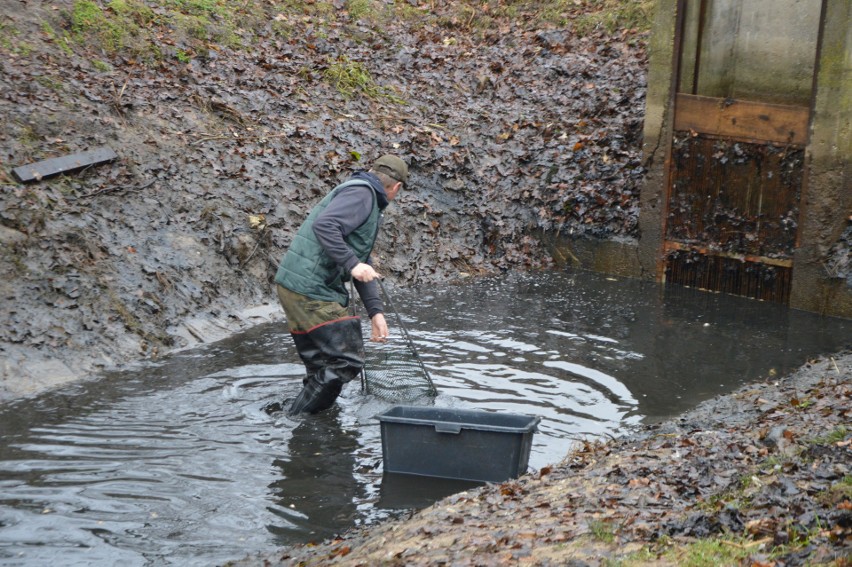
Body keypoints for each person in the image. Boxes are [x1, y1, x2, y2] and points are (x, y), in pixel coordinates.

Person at [272, 154, 409, 415]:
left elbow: (361, 259)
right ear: (396, 187)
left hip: (294, 286)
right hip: (311, 290)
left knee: (320, 366)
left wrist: (375, 312)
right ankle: (296, 421)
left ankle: (308, 425)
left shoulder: (359, 191)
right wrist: (352, 264)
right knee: (346, 361)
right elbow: (326, 226)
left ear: (371, 170)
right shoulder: (363, 194)